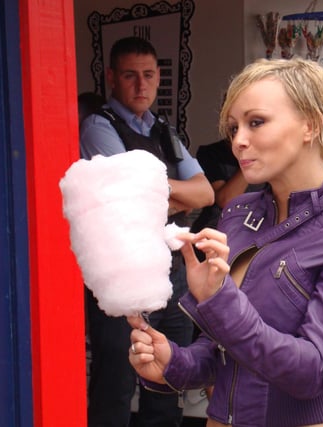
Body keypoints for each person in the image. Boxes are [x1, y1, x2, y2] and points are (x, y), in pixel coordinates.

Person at [126, 57, 323, 427]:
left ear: (310, 124)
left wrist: (218, 301)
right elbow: (222, 351)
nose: (238, 140)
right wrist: (174, 363)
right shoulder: (239, 213)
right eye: (234, 127)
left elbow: (312, 370)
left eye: (256, 122)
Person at [79, 36, 214, 427]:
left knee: (168, 379)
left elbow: (204, 193)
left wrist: (151, 189)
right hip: (121, 268)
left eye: (149, 75)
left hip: (171, 269)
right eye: (130, 75)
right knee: (116, 383)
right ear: (111, 78)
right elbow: (129, 194)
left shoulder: (163, 129)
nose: (141, 86)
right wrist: (172, 193)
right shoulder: (98, 125)